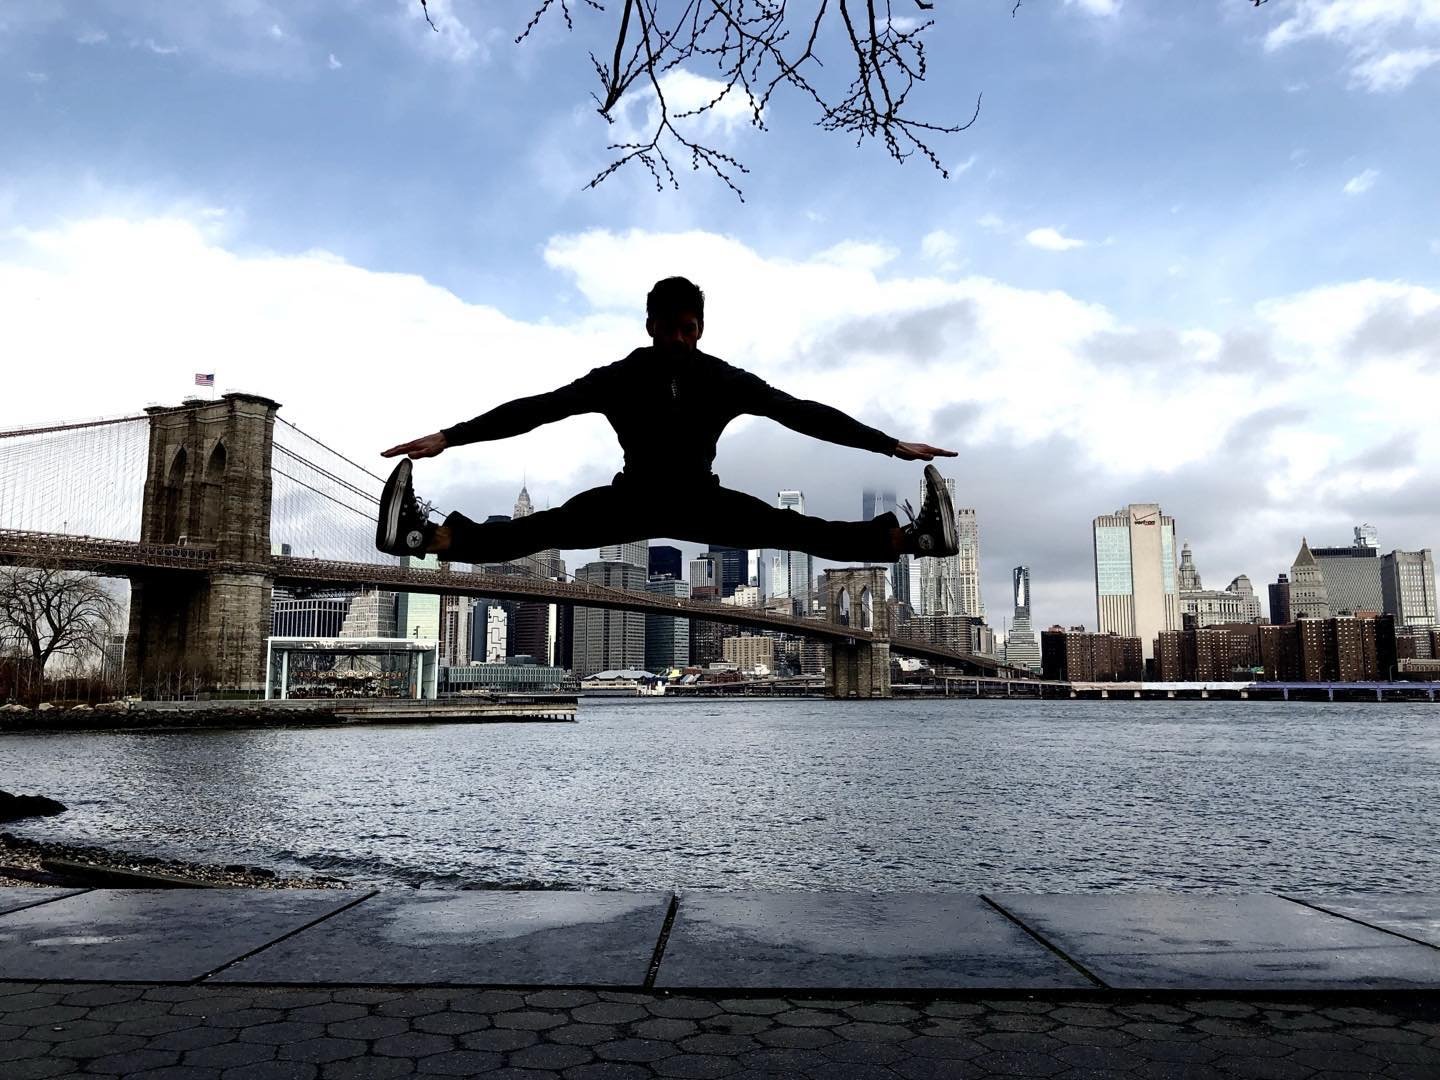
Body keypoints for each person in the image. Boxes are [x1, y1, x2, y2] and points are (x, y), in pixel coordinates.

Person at [376, 276, 959, 568]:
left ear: (700, 327)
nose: (679, 338)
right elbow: (537, 409)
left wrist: (890, 446)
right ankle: (424, 537)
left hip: (698, 499)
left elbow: (803, 415)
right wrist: (449, 438)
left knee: (795, 530)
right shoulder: (618, 377)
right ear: (649, 325)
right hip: (633, 499)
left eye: (689, 328)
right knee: (541, 530)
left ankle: (914, 538)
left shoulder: (725, 380)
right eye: (669, 327)